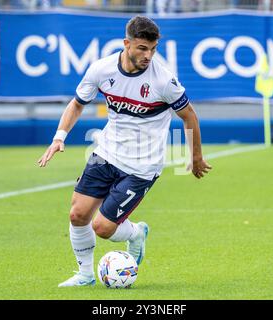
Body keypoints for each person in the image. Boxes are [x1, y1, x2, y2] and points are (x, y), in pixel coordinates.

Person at [38, 16, 212, 287]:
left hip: (142, 166)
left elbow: (190, 116)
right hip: (106, 153)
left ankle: (136, 233)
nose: (148, 55)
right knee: (77, 215)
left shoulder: (163, 80)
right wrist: (59, 137)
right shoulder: (101, 70)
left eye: (153, 49)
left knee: (103, 228)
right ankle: (85, 275)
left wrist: (196, 157)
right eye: (142, 48)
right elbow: (76, 104)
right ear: (126, 43)